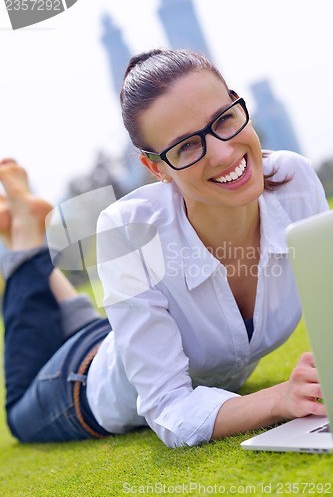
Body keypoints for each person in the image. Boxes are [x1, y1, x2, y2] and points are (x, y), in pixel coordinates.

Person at [1, 48, 329, 448]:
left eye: (224, 119)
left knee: (104, 328)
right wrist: (280, 397)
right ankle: (25, 243)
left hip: (133, 338)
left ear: (237, 103)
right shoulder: (128, 229)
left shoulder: (294, 182)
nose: (224, 153)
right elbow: (169, 410)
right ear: (157, 168)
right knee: (19, 413)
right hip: (82, 382)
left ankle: (33, 242)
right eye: (187, 146)